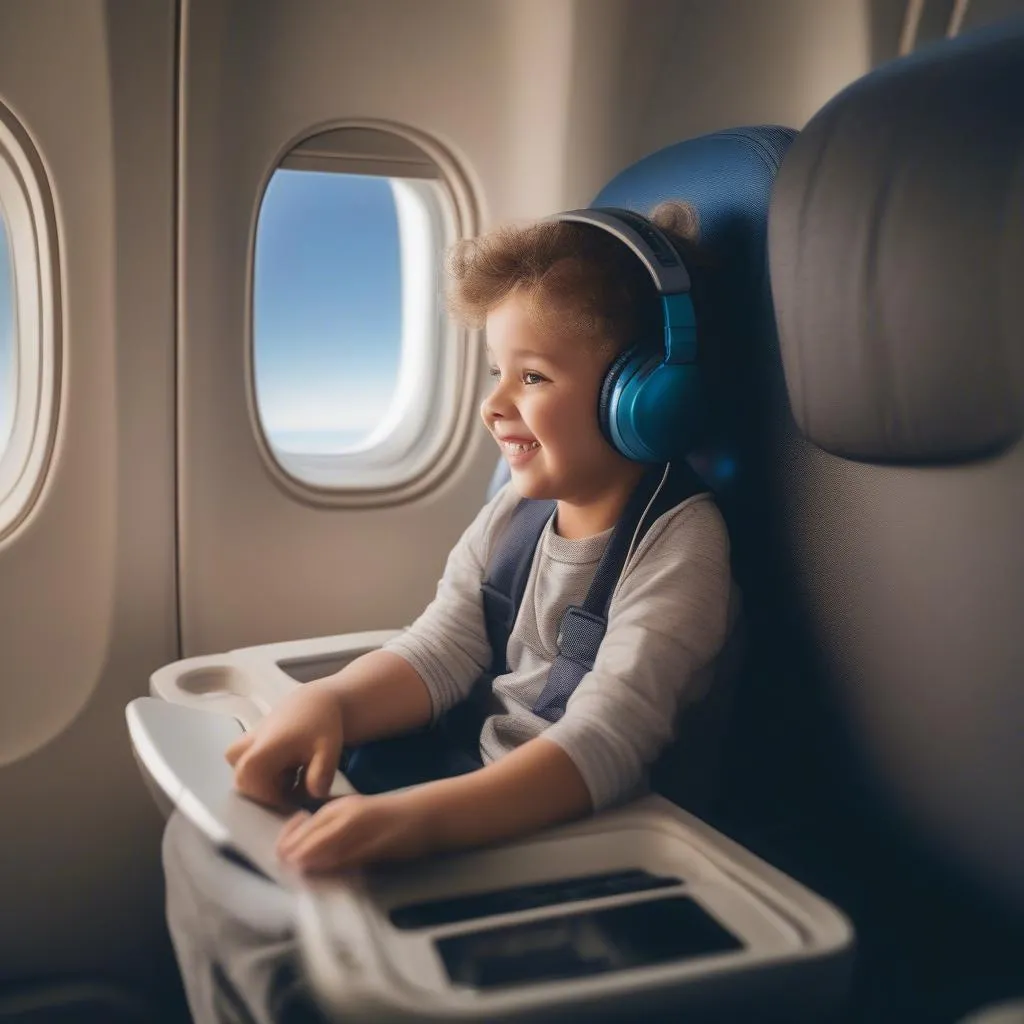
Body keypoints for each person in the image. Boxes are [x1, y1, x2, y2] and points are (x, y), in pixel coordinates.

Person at [162, 200, 741, 1024]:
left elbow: (607, 745)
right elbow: (438, 650)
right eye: (494, 373)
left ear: (646, 397)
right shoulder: (515, 513)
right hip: (477, 790)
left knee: (311, 934)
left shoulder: (680, 541)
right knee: (204, 840)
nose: (494, 404)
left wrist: (417, 825)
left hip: (586, 836)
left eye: (532, 377)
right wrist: (328, 702)